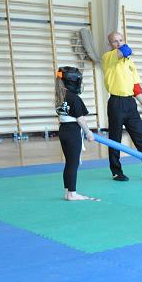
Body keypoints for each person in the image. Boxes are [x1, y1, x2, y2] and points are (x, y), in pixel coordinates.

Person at [101, 31, 142, 181]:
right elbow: (125, 50)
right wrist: (126, 49)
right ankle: (116, 172)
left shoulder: (130, 63)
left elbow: (136, 87)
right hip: (116, 103)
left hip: (130, 104)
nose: (119, 43)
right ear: (110, 44)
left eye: (121, 40)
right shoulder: (108, 57)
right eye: (115, 41)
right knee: (115, 139)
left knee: (140, 138)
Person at [55, 66, 98, 201]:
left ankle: (67, 191)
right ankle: (72, 193)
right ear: (72, 82)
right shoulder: (74, 98)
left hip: (63, 130)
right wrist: (88, 132)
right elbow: (80, 119)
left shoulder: (60, 96)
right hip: (73, 132)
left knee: (69, 162)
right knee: (73, 163)